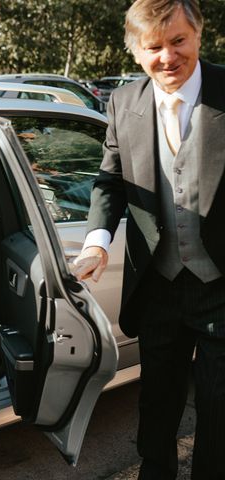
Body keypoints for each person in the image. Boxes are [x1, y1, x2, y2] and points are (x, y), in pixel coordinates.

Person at [73, 1, 225, 478]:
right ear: (137, 51)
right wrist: (98, 240)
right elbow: (110, 182)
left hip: (221, 284)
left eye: (178, 41)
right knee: (157, 401)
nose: (167, 57)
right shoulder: (123, 103)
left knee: (220, 405)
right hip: (157, 285)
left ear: (199, 35)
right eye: (153, 47)